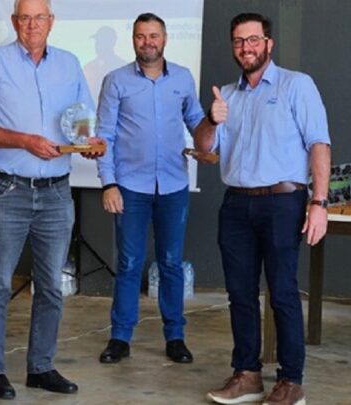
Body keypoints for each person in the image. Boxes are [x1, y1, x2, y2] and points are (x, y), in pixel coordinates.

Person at [0, 0, 102, 399]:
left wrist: (89, 143)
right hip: (9, 189)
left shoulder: (70, 63)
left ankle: (40, 367)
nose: (32, 24)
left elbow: (81, 124)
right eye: (25, 17)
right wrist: (23, 140)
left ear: (51, 22)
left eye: (40, 17)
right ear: (14, 22)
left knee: (51, 287)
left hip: (57, 191)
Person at [195, 13, 331, 405]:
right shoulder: (229, 97)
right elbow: (205, 147)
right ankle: (247, 374)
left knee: (283, 293)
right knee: (239, 294)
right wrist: (210, 118)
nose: (246, 48)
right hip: (236, 204)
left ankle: (291, 381)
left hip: (283, 202)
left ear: (268, 44)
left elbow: (319, 144)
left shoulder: (296, 85)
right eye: (239, 41)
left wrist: (318, 203)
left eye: (253, 40)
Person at [95, 13, 207, 365]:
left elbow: (197, 123)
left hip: (173, 185)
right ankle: (120, 337)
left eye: (153, 35)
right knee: (129, 263)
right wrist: (109, 183)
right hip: (129, 186)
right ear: (133, 40)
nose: (148, 42)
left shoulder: (184, 79)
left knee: (171, 262)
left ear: (165, 38)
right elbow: (104, 137)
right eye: (141, 36)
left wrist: (213, 134)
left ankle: (175, 336)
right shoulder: (116, 81)